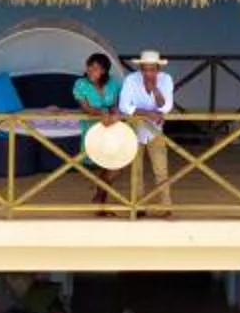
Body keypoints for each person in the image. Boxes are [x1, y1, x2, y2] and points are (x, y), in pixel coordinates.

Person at [116, 48, 176, 216]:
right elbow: (124, 106)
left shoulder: (166, 80)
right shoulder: (131, 80)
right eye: (145, 69)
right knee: (136, 169)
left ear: (158, 68)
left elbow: (166, 107)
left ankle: (166, 206)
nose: (148, 72)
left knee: (161, 168)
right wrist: (147, 113)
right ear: (140, 68)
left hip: (155, 130)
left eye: (152, 69)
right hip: (134, 129)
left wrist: (155, 89)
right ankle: (139, 206)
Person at [73, 52, 123, 210]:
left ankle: (100, 195)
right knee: (102, 162)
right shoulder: (81, 84)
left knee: (116, 164)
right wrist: (102, 113)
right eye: (89, 66)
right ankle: (101, 199)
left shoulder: (113, 84)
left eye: (95, 68)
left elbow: (114, 105)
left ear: (104, 71)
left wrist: (116, 117)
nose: (90, 70)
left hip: (111, 125)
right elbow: (85, 107)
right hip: (92, 127)